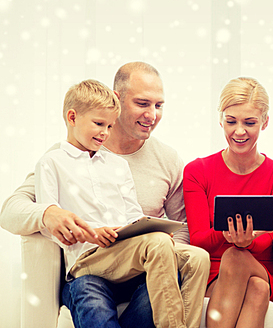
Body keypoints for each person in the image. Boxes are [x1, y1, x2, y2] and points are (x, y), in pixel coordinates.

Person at [0, 62, 210, 328]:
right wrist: (49, 213)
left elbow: (177, 226)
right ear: (118, 99)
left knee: (195, 257)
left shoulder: (161, 160)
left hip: (142, 264)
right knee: (143, 254)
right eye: (143, 103)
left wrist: (156, 238)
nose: (152, 115)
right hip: (92, 265)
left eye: (159, 106)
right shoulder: (56, 159)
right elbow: (10, 210)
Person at [35, 78, 190, 327]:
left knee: (170, 268)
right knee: (90, 296)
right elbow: (50, 225)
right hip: (87, 263)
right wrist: (90, 233)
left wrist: (148, 230)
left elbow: (133, 213)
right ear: (72, 117)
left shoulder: (118, 165)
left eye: (109, 125)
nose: (105, 133)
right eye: (98, 124)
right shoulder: (52, 162)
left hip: (127, 264)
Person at [183, 77, 273, 328]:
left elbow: (268, 237)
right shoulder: (197, 171)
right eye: (231, 121)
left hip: (261, 267)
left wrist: (247, 241)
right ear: (220, 119)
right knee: (252, 283)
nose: (239, 131)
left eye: (250, 122)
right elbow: (198, 239)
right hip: (214, 273)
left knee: (238, 257)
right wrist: (231, 237)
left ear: (265, 122)